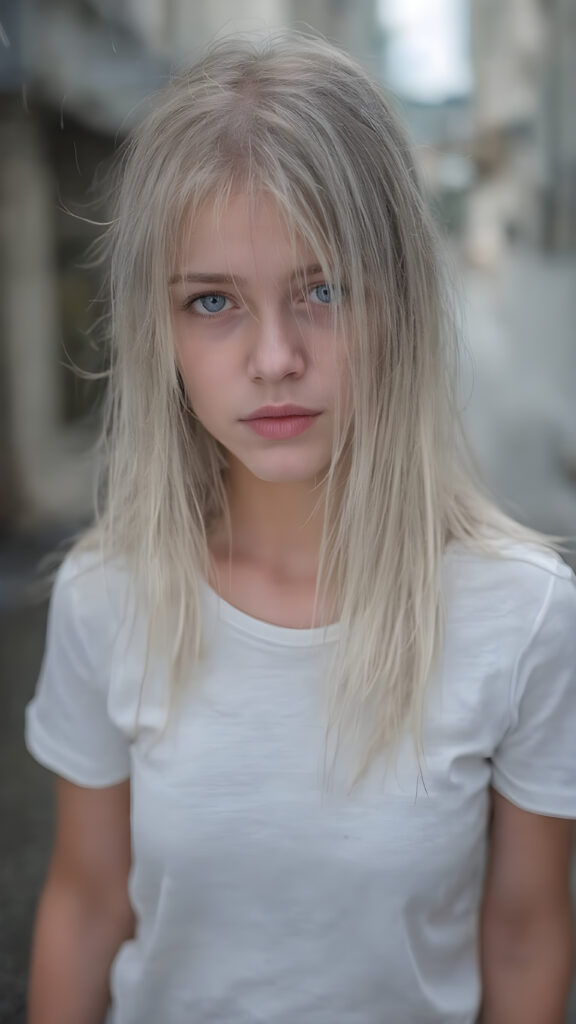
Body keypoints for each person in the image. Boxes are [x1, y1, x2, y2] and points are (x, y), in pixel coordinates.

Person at [24, 32, 576, 1024]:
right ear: (162, 329)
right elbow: (86, 901)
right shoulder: (105, 598)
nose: (275, 356)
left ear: (399, 301)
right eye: (213, 302)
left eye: (323, 289)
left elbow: (527, 931)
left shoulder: (522, 611)